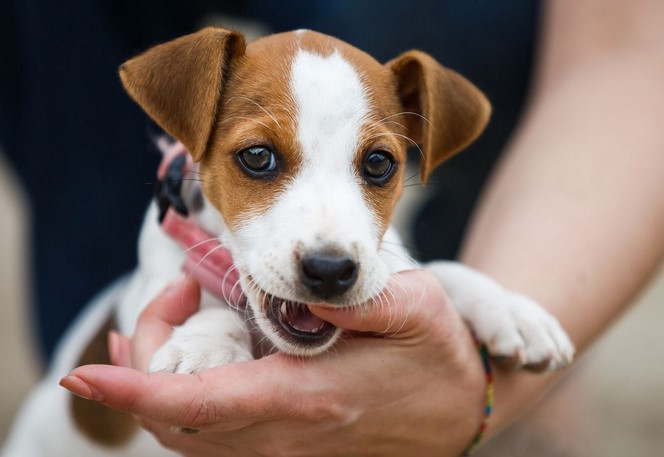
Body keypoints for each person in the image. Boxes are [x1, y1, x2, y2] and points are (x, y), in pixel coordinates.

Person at [61, 1, 664, 455]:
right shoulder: (169, 237)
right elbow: (158, 331)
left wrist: (466, 291)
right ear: (192, 140)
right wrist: (220, 325)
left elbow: (413, 290)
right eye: (259, 159)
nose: (329, 246)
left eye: (376, 165)